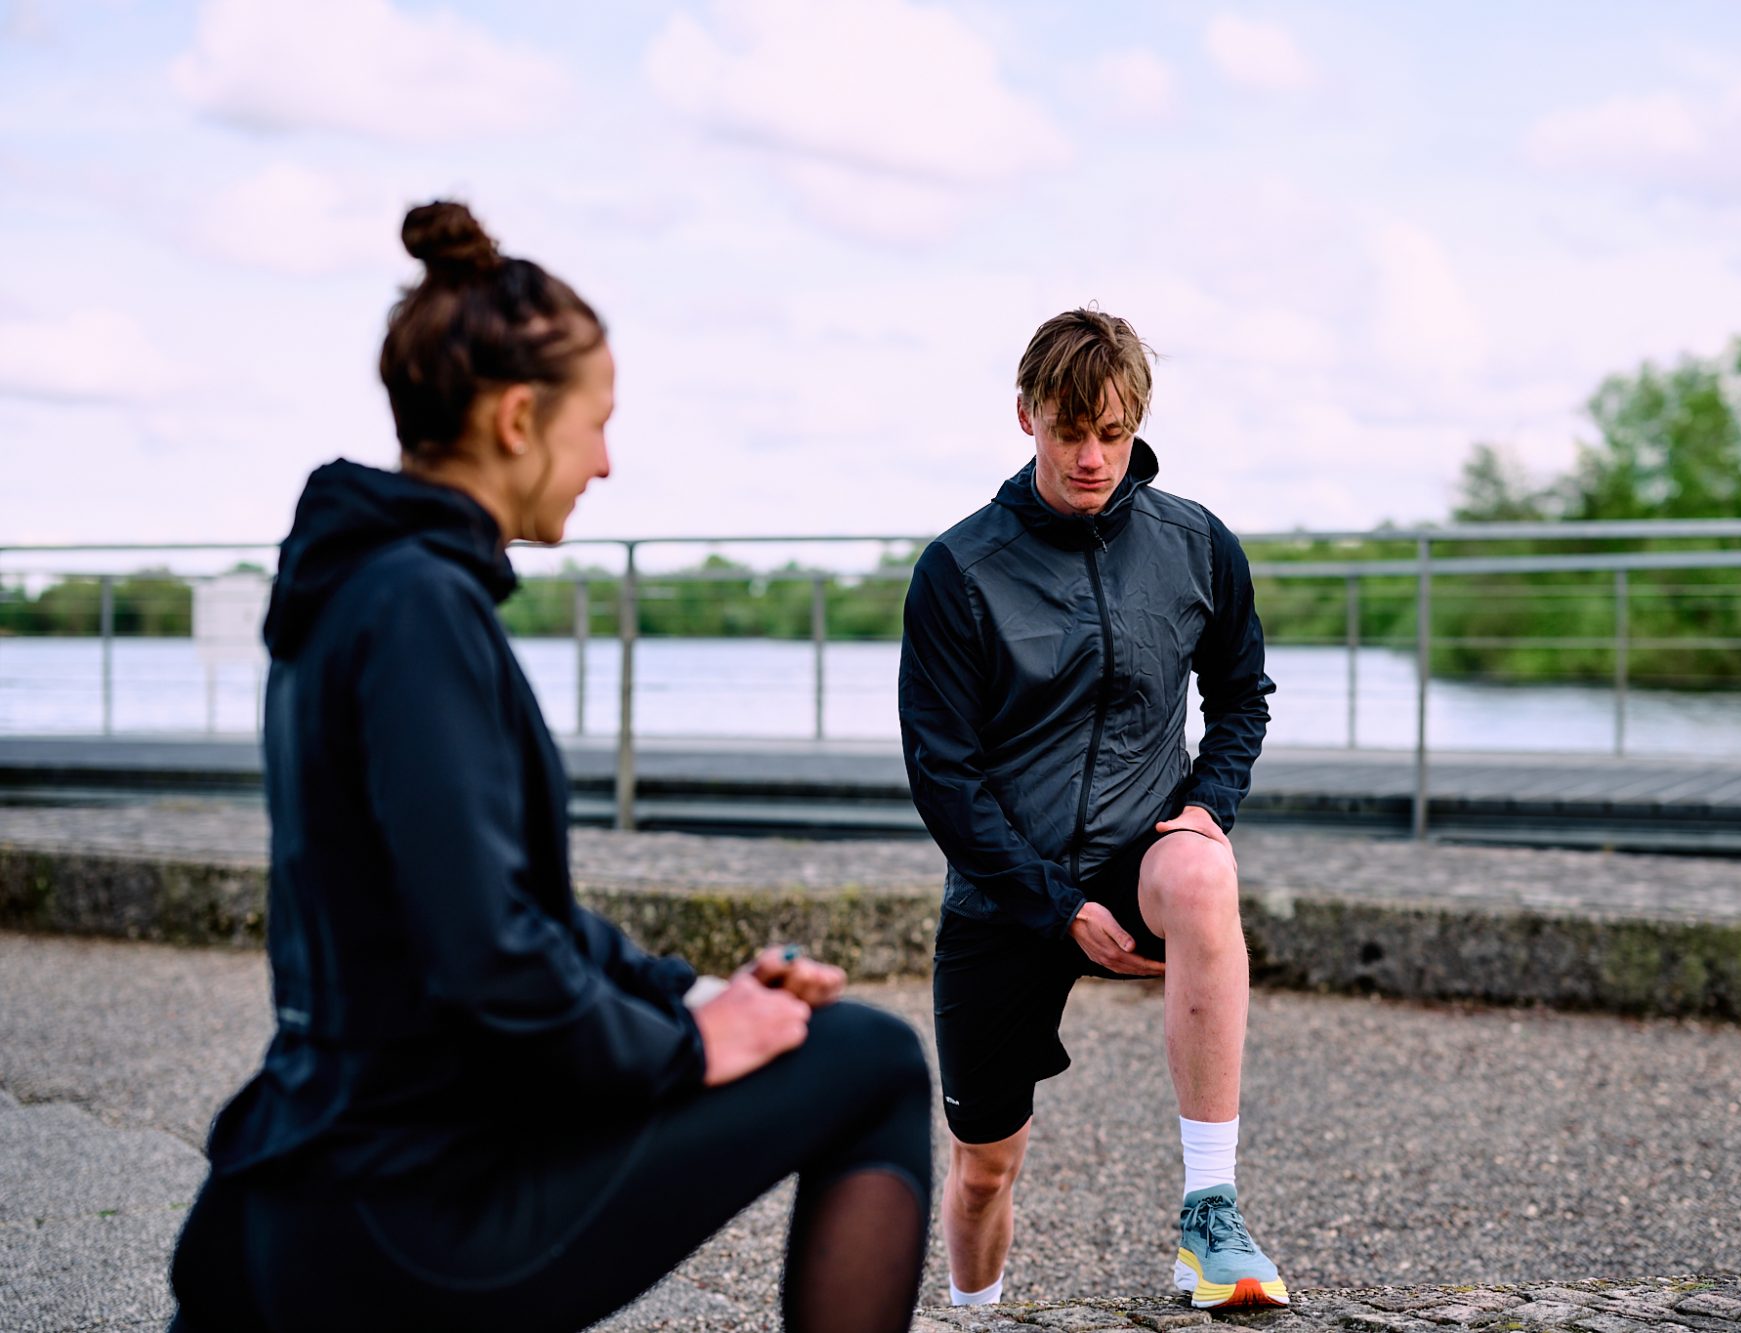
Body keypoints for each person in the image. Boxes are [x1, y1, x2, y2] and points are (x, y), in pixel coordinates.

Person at [167, 201, 932, 1333]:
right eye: (598, 425)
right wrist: (688, 1048)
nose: (608, 463)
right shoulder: (419, 607)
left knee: (826, 1042)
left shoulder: (357, 587)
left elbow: (507, 910)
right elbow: (493, 961)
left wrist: (689, 991)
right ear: (519, 419)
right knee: (871, 1062)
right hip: (408, 1209)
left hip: (301, 1181)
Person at [899, 309, 1284, 1310]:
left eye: (1111, 433)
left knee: (1203, 868)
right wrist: (1051, 905)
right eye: (1069, 431)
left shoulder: (1194, 543)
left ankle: (1209, 1212)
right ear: (1024, 414)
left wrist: (1207, 805)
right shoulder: (957, 569)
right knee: (984, 1167)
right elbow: (943, 775)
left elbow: (1239, 696)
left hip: (1139, 856)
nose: (1090, 456)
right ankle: (973, 1312)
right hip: (1002, 892)